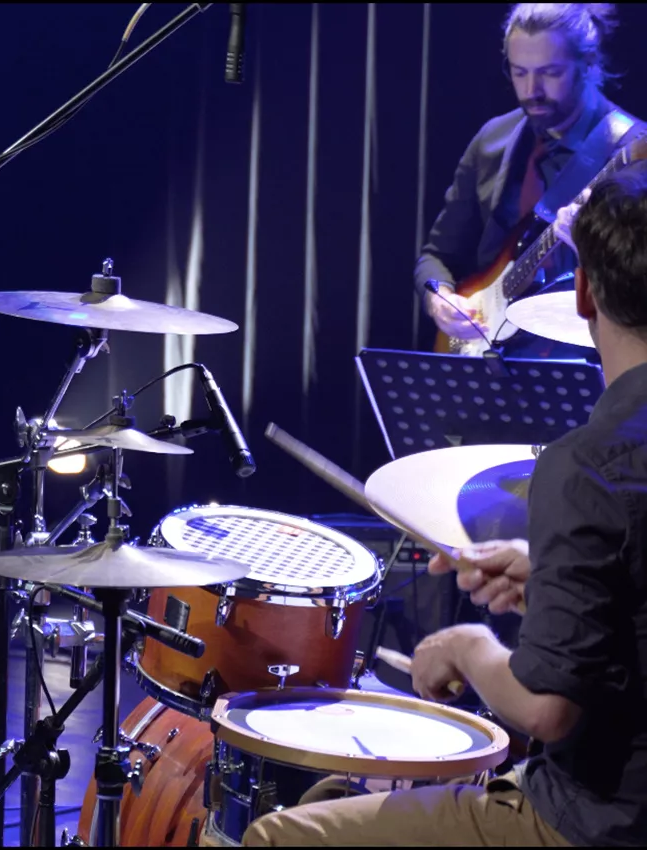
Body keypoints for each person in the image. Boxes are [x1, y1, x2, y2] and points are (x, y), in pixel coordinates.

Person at [244, 159, 647, 846]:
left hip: (594, 823)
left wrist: (467, 646)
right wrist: (547, 574)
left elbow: (546, 712)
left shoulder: (586, 465)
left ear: (583, 291)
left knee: (279, 836)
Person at [417, 3, 637, 360]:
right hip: (489, 359)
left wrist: (588, 248)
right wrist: (439, 299)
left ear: (588, 64)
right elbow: (437, 256)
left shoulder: (629, 151)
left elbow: (636, 290)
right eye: (520, 72)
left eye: (550, 73)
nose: (531, 90)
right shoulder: (492, 140)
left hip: (584, 365)